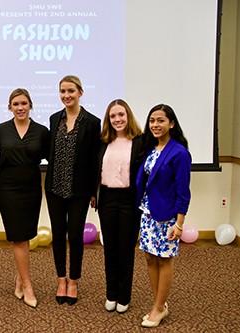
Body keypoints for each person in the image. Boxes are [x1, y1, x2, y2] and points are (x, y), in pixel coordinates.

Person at [45, 75, 101, 305]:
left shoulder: (92, 122)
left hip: (79, 190)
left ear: (80, 92)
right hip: (54, 188)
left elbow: (95, 160)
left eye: (71, 91)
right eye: (62, 91)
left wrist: (94, 191)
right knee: (58, 235)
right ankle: (61, 279)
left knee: (75, 236)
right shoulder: (54, 119)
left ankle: (74, 280)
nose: (66, 95)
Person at [0, 88, 49, 308]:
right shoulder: (0, 130)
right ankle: (28, 285)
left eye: (24, 103)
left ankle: (19, 278)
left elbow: (50, 157)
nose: (20, 107)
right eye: (16, 104)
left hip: (32, 188)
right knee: (18, 238)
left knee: (25, 236)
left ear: (30, 105)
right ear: (10, 107)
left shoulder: (42, 131)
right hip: (8, 189)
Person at [136, 104, 191, 328]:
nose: (155, 125)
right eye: (152, 121)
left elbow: (183, 191)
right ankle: (160, 303)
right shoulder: (151, 148)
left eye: (160, 120)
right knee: (150, 257)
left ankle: (158, 309)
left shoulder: (179, 153)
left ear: (171, 123)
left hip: (167, 217)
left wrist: (179, 224)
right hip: (148, 213)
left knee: (164, 259)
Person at [97, 99, 144, 314]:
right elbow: (94, 170)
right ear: (109, 119)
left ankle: (124, 296)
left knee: (125, 249)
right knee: (110, 249)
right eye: (113, 116)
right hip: (107, 198)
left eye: (121, 115)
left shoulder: (141, 141)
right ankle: (111, 293)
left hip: (129, 200)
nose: (117, 119)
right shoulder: (103, 141)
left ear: (128, 116)